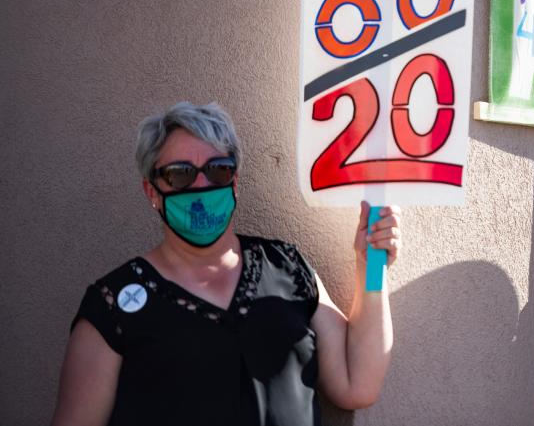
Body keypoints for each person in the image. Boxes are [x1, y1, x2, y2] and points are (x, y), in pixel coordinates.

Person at [51, 101, 401, 426]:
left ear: (234, 181)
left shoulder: (287, 266)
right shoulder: (112, 306)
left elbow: (358, 384)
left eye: (218, 170)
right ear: (152, 191)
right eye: (180, 174)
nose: (202, 185)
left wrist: (370, 262)